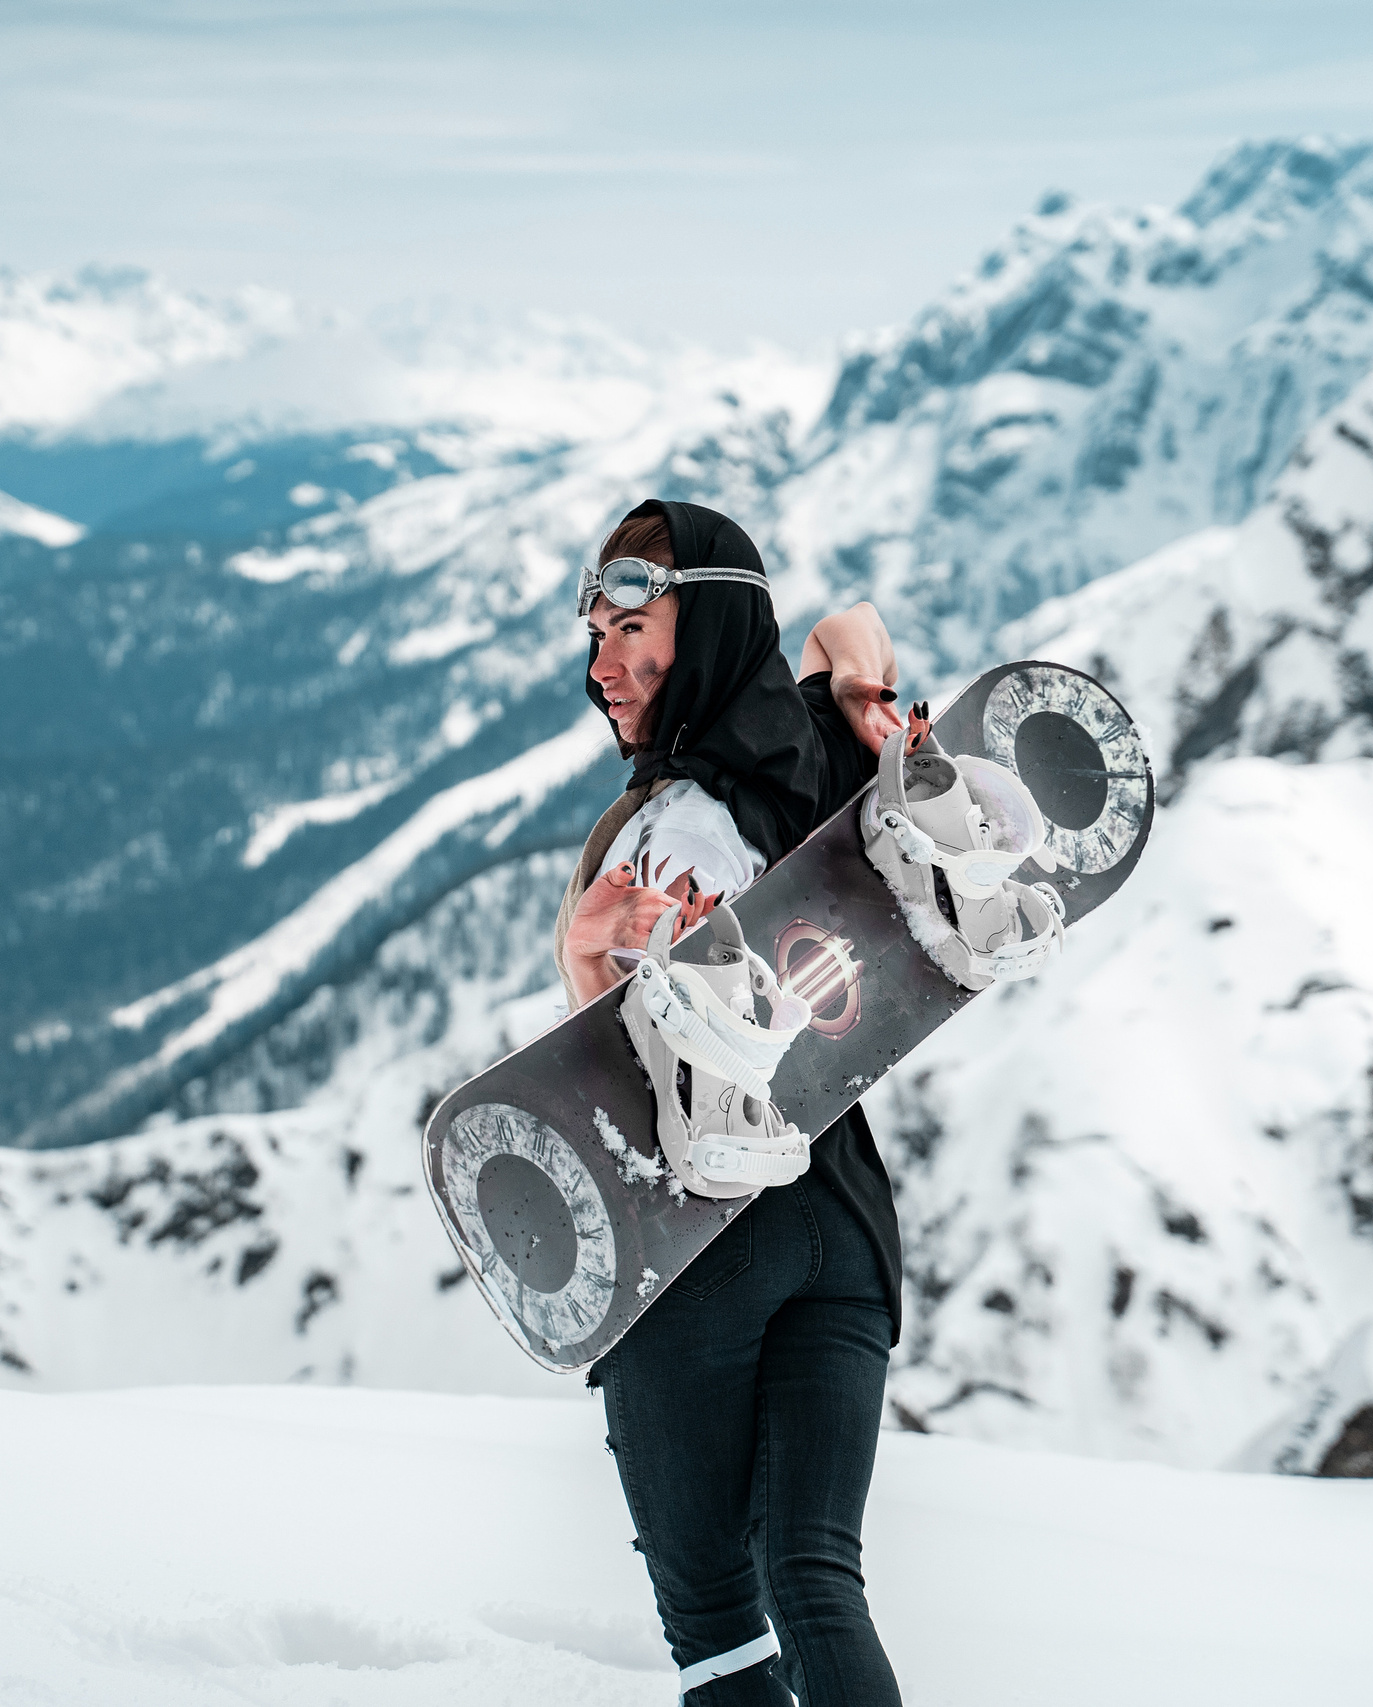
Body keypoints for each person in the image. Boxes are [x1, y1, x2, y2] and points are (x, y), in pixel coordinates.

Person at [553, 498, 908, 1706]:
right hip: (845, 1230)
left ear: (701, 627)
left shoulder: (674, 835)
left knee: (716, 1622)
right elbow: (845, 627)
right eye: (592, 635)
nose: (600, 667)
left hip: (701, 1245)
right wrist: (858, 688)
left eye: (630, 630)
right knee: (815, 1581)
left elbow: (632, 1084)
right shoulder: (830, 756)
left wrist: (584, 956)